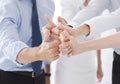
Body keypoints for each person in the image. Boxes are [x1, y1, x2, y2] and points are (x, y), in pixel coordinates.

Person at [56, 0, 120, 84]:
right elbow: (92, 9)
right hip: (118, 58)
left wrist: (78, 35)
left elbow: (115, 17)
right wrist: (70, 28)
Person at [0, 0, 59, 84]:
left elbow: (45, 44)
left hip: (40, 76)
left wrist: (47, 75)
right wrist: (38, 54)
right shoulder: (7, 5)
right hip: (10, 77)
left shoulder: (48, 2)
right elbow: (9, 45)